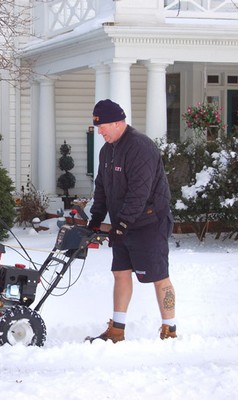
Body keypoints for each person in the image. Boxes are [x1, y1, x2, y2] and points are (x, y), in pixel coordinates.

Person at [86, 99, 177, 343]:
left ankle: (170, 329)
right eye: (97, 127)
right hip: (124, 224)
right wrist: (95, 218)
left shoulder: (140, 147)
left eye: (103, 126)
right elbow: (102, 188)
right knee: (120, 273)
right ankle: (117, 330)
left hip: (150, 222)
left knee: (159, 276)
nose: (100, 131)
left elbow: (140, 192)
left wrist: (122, 225)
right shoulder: (107, 151)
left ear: (117, 123)